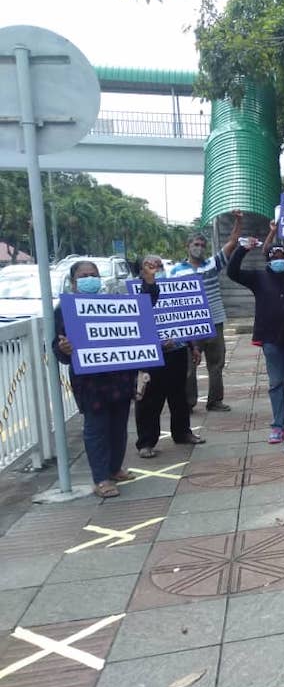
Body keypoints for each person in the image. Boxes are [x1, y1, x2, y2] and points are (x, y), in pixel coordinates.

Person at [54, 261, 136, 498]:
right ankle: (101, 479)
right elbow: (57, 348)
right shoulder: (64, 310)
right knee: (97, 428)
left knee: (119, 427)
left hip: (119, 378)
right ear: (73, 282)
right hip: (90, 383)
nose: (90, 279)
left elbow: (132, 333)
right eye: (84, 275)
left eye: (93, 275)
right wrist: (65, 349)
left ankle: (114, 469)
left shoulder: (113, 304)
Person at [227, 225, 284, 443]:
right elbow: (232, 272)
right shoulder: (258, 277)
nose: (279, 259)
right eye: (274, 256)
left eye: (282, 255)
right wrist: (242, 250)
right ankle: (278, 426)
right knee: (275, 384)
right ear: (268, 259)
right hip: (271, 340)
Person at [170, 210, 241, 413]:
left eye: (202, 245)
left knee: (216, 363)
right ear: (187, 246)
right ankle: (188, 403)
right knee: (189, 366)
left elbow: (232, 242)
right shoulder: (175, 272)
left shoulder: (211, 264)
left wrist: (238, 220)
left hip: (214, 321)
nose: (199, 248)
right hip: (189, 324)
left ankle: (215, 400)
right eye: (195, 245)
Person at [135, 255, 205, 458]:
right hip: (150, 356)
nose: (155, 269)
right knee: (149, 400)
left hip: (177, 352)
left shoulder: (174, 289)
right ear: (141, 270)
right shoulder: (136, 293)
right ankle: (146, 442)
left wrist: (193, 346)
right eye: (150, 266)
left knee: (179, 397)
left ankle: (182, 432)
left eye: (159, 265)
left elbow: (186, 317)